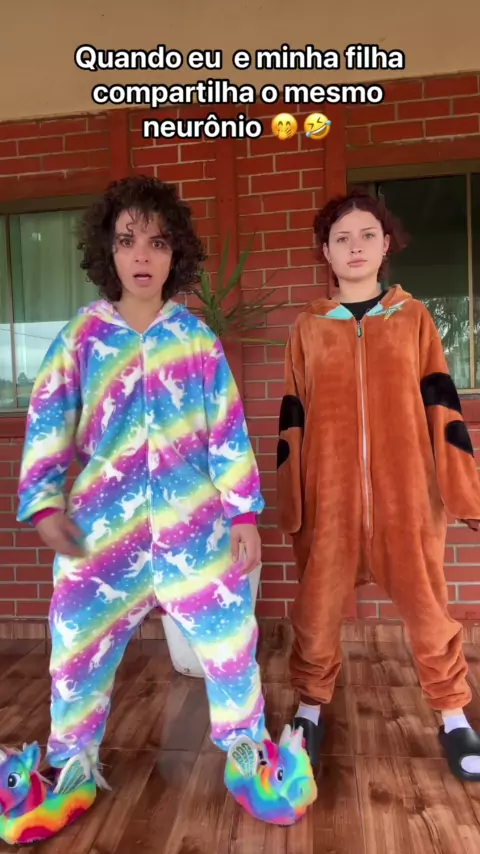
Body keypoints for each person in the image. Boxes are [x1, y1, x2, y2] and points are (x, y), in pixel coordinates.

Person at [9, 175, 314, 840]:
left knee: (231, 643)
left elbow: (227, 429)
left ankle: (247, 757)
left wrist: (242, 513)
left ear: (177, 254)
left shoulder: (196, 340)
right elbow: (48, 420)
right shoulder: (81, 338)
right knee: (76, 649)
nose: (141, 255)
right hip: (99, 534)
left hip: (195, 531)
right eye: (127, 241)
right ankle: (71, 767)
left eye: (157, 242)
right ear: (108, 252)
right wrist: (44, 503)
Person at [276, 188, 480, 783]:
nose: (355, 247)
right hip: (331, 502)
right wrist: (293, 500)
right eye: (342, 238)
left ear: (386, 244)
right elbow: (292, 418)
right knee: (316, 612)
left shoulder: (413, 319)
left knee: (429, 610)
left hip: (407, 498)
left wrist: (464, 491)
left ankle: (453, 716)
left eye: (367, 235)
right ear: (326, 252)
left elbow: (443, 404)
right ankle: (310, 711)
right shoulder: (308, 328)